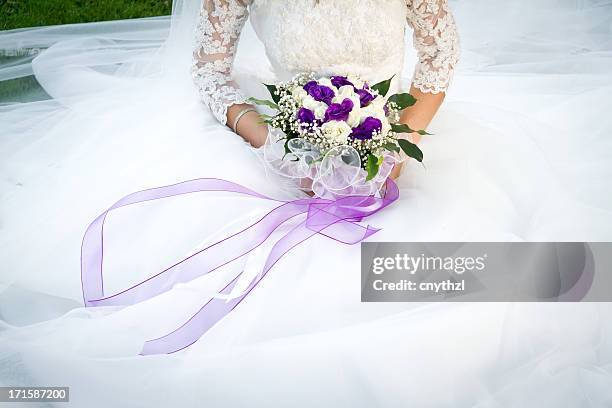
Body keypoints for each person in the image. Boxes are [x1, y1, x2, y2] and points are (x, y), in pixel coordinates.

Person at [1, 1, 611, 406]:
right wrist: (273, 146)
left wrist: (403, 140)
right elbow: (210, 68)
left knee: (500, 269)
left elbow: (439, 55)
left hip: (394, 131)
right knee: (285, 280)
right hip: (283, 136)